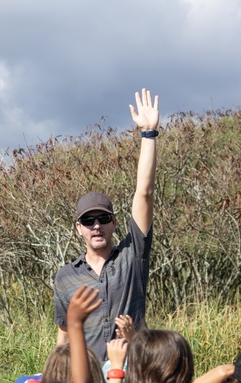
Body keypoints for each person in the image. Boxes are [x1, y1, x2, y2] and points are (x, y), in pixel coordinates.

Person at [54, 88, 159, 361]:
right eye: (88, 221)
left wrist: (148, 135)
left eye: (102, 219)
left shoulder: (133, 256)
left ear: (114, 223)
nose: (96, 226)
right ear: (78, 229)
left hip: (131, 377)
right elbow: (63, 337)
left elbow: (144, 193)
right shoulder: (65, 277)